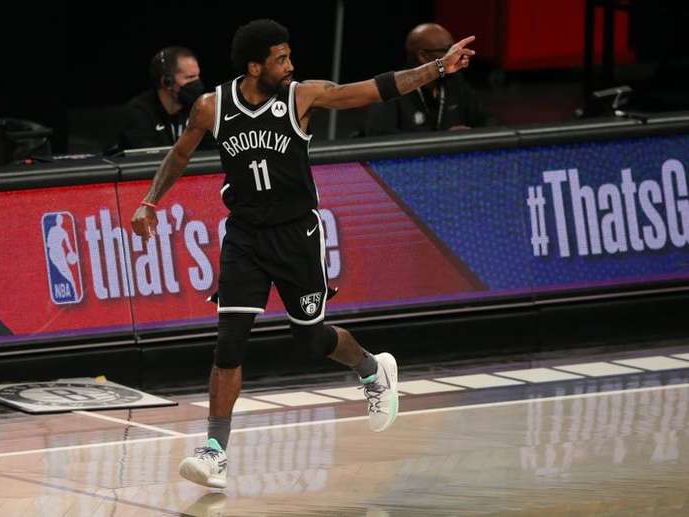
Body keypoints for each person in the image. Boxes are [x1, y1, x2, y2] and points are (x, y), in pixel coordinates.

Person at [131, 19, 475, 489]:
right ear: (255, 66)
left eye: (290, 56)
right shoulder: (213, 106)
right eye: (280, 59)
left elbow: (372, 90)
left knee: (310, 338)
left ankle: (373, 369)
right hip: (245, 237)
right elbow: (181, 155)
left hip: (296, 236)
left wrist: (438, 68)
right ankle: (214, 451)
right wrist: (151, 201)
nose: (290, 65)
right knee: (229, 343)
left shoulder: (302, 97)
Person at [364, 22, 490, 136]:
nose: (455, 55)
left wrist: (472, 134)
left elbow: (487, 121)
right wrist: (442, 139)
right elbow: (379, 135)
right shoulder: (393, 88)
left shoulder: (455, 80)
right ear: (422, 56)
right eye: (447, 50)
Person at [117, 46, 214, 150]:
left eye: (197, 76)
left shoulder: (198, 108)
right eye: (190, 77)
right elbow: (146, 160)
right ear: (167, 82)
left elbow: (212, 151)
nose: (197, 83)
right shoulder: (138, 113)